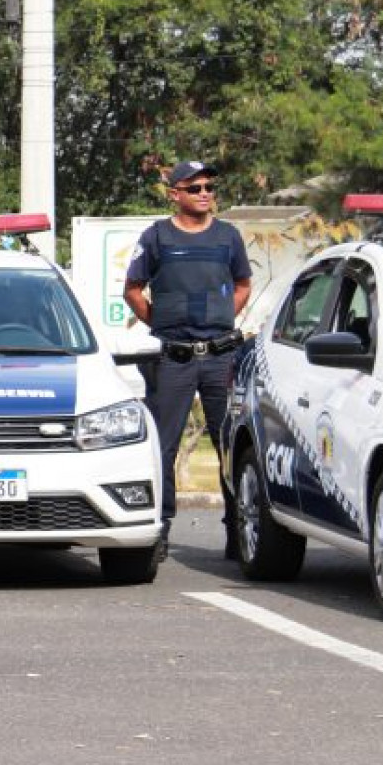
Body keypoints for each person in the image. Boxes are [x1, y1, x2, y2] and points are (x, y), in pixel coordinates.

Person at [122, 160, 252, 558]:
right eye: (195, 188)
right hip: (173, 358)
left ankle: (238, 530)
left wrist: (220, 320)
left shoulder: (228, 237)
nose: (205, 194)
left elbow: (244, 285)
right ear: (175, 194)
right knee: (163, 446)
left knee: (230, 444)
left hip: (219, 357)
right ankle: (159, 530)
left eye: (210, 186)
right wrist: (163, 324)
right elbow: (133, 290)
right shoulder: (156, 236)